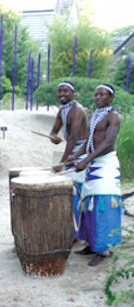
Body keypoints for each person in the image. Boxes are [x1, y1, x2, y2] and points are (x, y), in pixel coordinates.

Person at [67, 83, 123, 266]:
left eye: (102, 94)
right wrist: (75, 156)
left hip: (106, 166)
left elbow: (107, 143)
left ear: (110, 97)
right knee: (88, 206)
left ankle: (104, 249)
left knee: (103, 205)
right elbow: (89, 141)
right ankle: (92, 244)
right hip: (93, 164)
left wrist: (86, 160)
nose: (98, 97)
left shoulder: (114, 117)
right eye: (96, 94)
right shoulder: (94, 116)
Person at [49, 81, 88, 236]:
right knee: (69, 192)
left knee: (75, 191)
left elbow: (73, 139)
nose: (62, 94)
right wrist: (54, 138)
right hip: (71, 151)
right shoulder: (62, 110)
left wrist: (62, 163)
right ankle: (71, 230)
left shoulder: (77, 110)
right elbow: (53, 132)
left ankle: (76, 232)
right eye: (60, 91)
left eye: (65, 91)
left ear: (73, 93)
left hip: (81, 152)